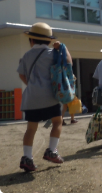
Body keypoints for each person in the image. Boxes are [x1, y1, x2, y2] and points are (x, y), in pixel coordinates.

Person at [17, 23, 72, 172]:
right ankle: (51, 151)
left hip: (31, 98)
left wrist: (32, 85)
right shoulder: (52, 53)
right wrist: (63, 48)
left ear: (31, 40)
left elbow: (21, 74)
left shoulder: (26, 56)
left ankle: (27, 158)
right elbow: (68, 63)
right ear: (49, 41)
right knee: (57, 121)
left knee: (31, 129)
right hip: (49, 97)